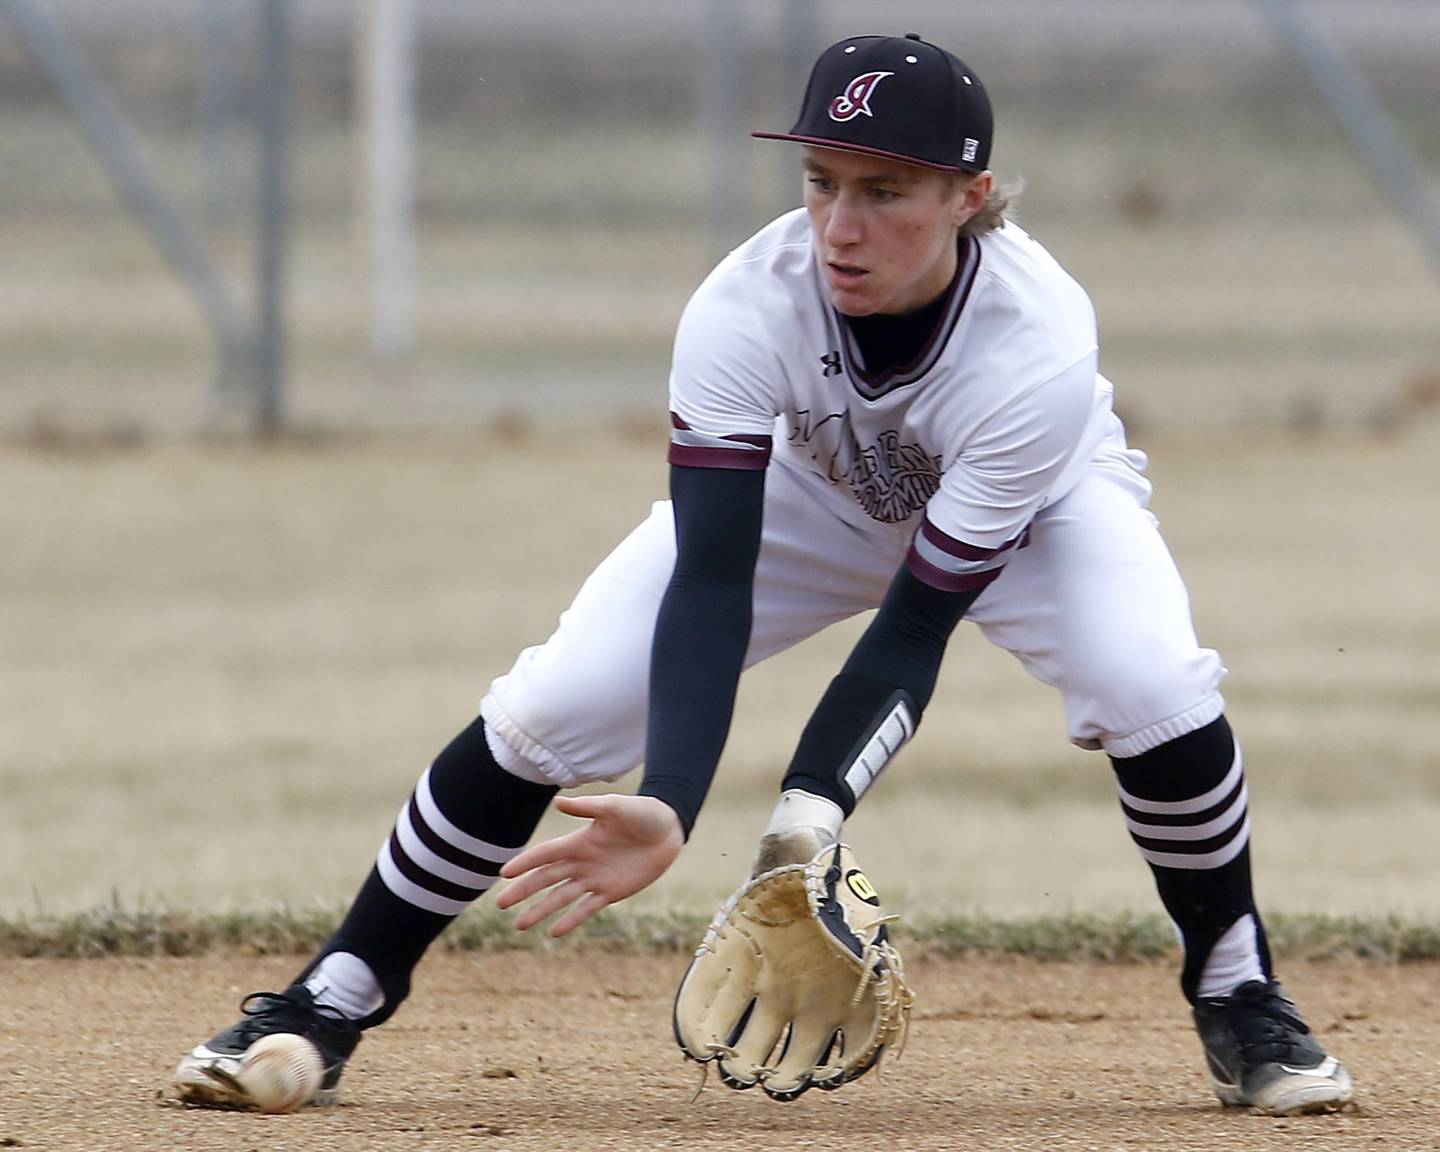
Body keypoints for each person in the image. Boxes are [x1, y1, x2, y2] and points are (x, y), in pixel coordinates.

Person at [174, 32, 1353, 1116]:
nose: (840, 224)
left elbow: (913, 629)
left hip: (1039, 504)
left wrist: (804, 828)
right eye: (822, 182)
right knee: (554, 707)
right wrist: (673, 804)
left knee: (1147, 680)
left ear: (968, 197)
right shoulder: (746, 305)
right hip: (817, 489)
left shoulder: (1035, 348)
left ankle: (1239, 989)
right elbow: (710, 575)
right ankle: (333, 992)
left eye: (884, 190)